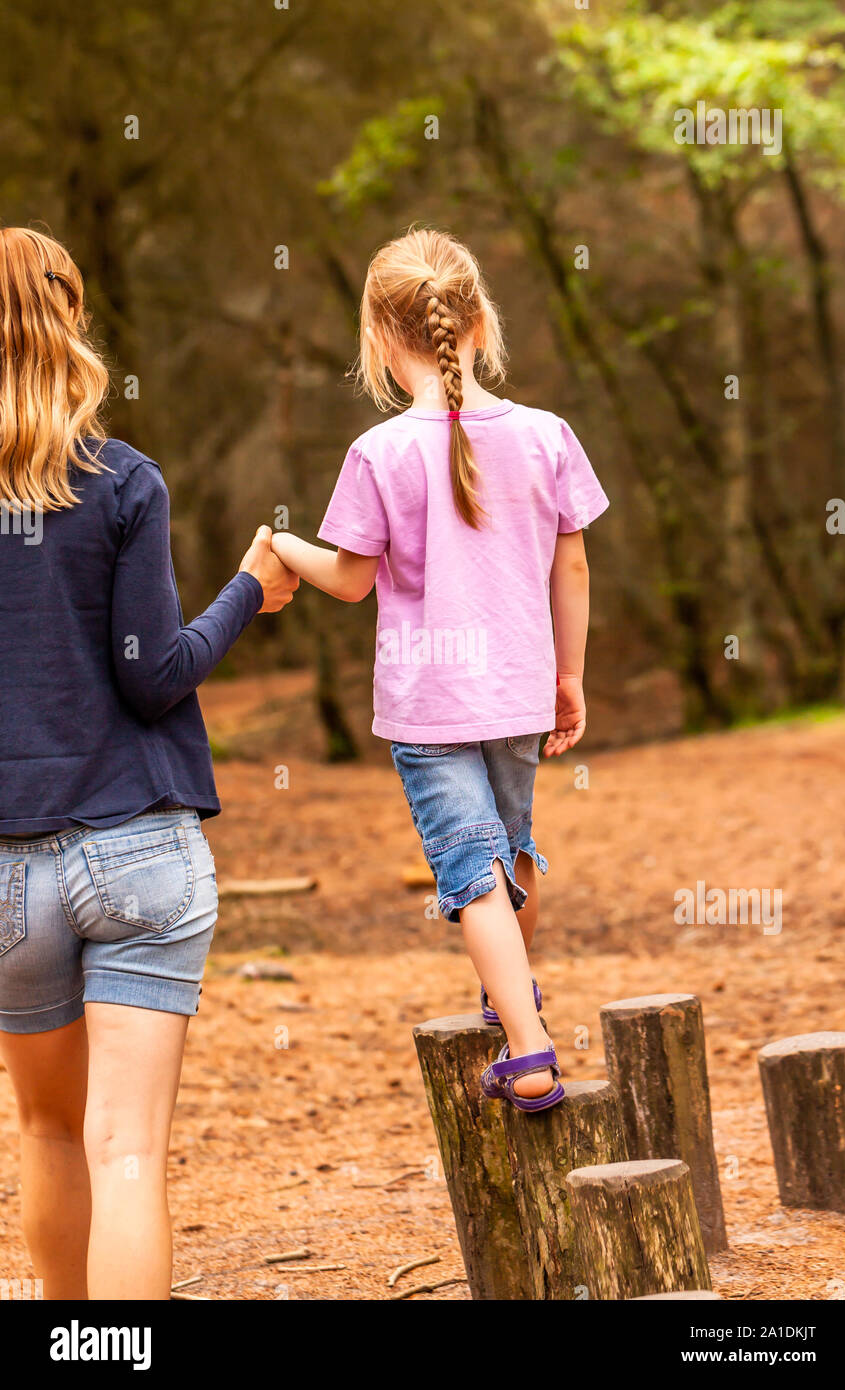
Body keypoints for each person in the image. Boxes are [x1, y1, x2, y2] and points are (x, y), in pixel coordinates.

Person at [0, 227, 298, 1300]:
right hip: (137, 850)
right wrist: (249, 592)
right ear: (72, 320)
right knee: (125, 1151)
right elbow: (152, 675)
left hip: (8, 874)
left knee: (43, 1128)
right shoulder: (121, 482)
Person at [270, 227, 609, 1112]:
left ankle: (530, 1052)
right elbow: (570, 567)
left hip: (430, 704)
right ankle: (517, 995)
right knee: (513, 850)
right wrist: (568, 676)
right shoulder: (546, 434)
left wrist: (280, 546)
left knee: (468, 870)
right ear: (481, 322)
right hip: (519, 690)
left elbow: (348, 581)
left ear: (379, 337)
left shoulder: (378, 453)